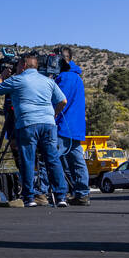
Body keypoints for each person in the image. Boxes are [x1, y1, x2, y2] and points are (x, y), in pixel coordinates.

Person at [0, 53, 69, 207]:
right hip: (48, 123)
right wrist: (53, 114)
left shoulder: (17, 79)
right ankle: (61, 196)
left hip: (27, 123)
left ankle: (30, 197)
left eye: (18, 65)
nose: (16, 68)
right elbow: (63, 100)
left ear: (24, 65)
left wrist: (3, 76)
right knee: (52, 159)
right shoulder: (48, 81)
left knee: (28, 160)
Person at [54, 55, 91, 206]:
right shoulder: (77, 77)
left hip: (63, 126)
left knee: (50, 159)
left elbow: (59, 100)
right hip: (76, 128)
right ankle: (82, 193)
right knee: (77, 162)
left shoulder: (64, 77)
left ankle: (57, 193)